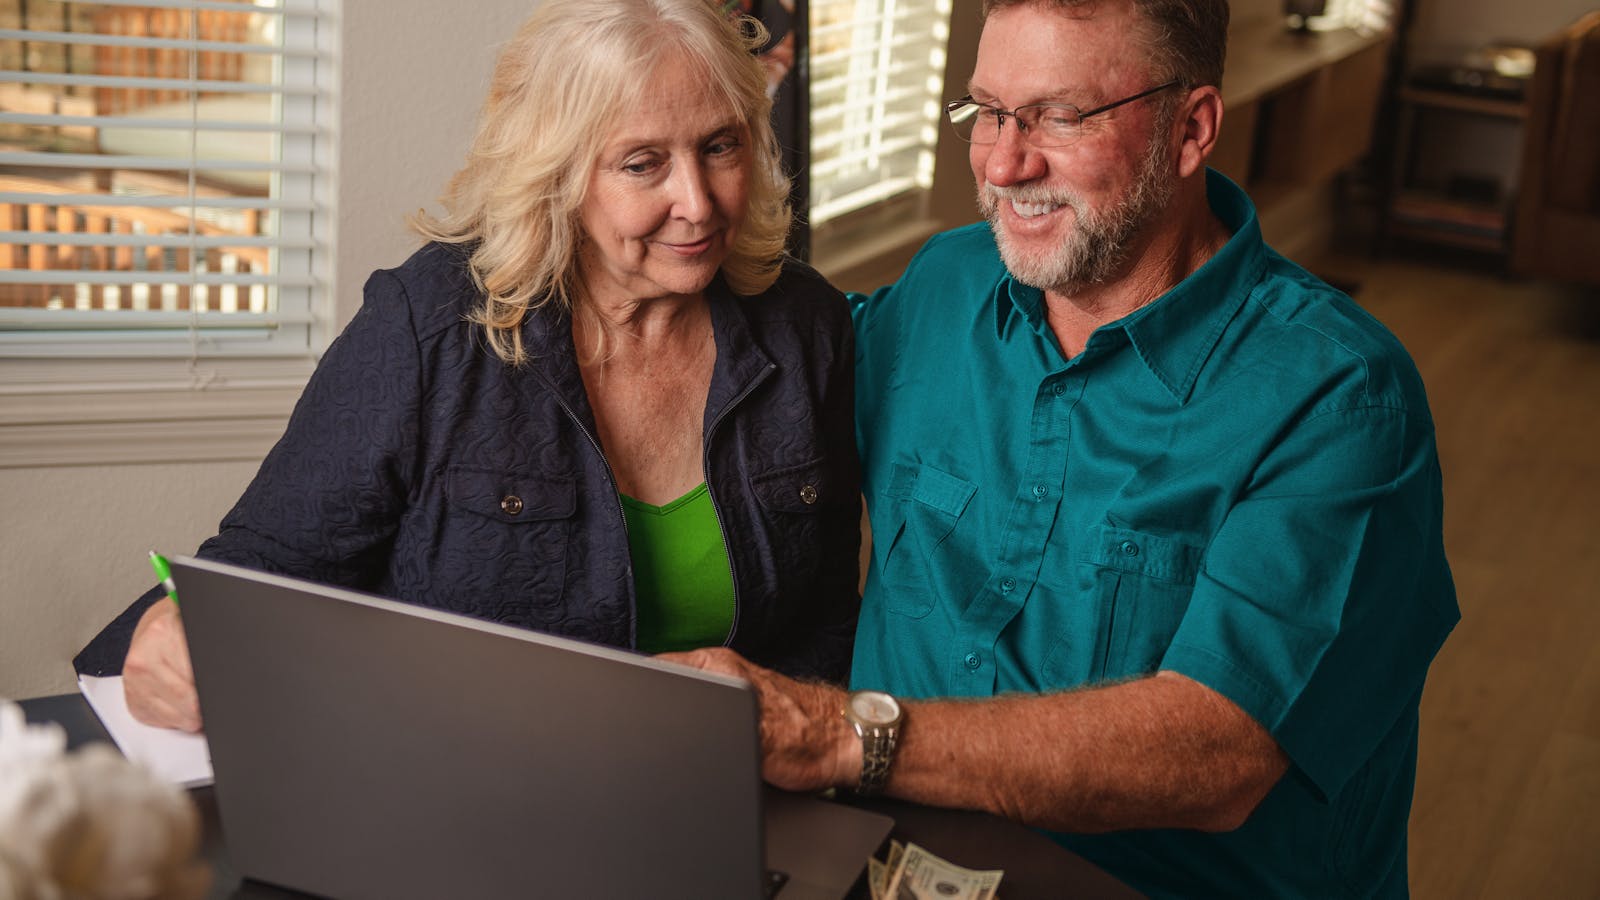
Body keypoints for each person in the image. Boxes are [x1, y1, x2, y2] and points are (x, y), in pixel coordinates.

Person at [666, 0, 1459, 896]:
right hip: (889, 867)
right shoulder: (945, 282)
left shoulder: (1342, 397)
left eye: (1058, 117)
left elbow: (1221, 747)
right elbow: (761, 384)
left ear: (1190, 128)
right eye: (988, 112)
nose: (1006, 163)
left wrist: (837, 735)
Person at [73, 0, 861, 734]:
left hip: (717, 792)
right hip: (456, 777)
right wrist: (173, 625)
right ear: (559, 173)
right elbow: (267, 565)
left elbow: (826, 618)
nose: (698, 201)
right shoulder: (432, 325)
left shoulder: (806, 329)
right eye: (642, 164)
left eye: (719, 147)